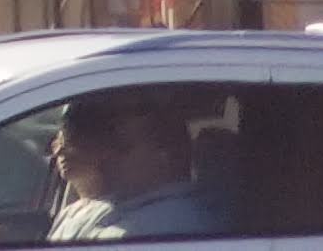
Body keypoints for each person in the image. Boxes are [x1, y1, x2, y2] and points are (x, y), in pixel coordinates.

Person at [49, 91, 232, 240]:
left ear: (164, 155)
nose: (108, 158)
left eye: (123, 149)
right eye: (110, 147)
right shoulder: (121, 206)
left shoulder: (171, 221)